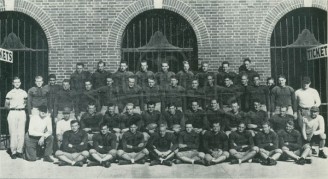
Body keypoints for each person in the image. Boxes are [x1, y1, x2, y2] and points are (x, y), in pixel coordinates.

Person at [5, 77, 28, 159]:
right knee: (13, 132)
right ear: (13, 83)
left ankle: (19, 151)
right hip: (13, 113)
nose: (17, 83)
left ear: (20, 83)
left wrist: (20, 108)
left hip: (21, 112)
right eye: (15, 82)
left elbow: (25, 103)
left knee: (21, 132)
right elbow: (6, 105)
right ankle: (13, 151)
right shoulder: (10, 93)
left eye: (18, 82)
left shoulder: (24, 93)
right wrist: (13, 109)